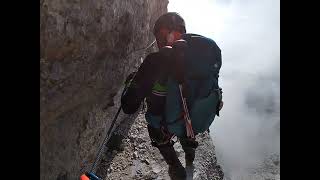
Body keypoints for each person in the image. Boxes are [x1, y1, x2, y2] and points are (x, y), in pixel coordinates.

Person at [121, 12, 223, 179]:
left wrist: (131, 83)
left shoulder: (155, 60)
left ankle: (175, 167)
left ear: (163, 34)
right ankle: (190, 155)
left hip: (165, 123)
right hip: (195, 116)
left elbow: (128, 106)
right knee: (187, 128)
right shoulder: (205, 53)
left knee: (155, 129)